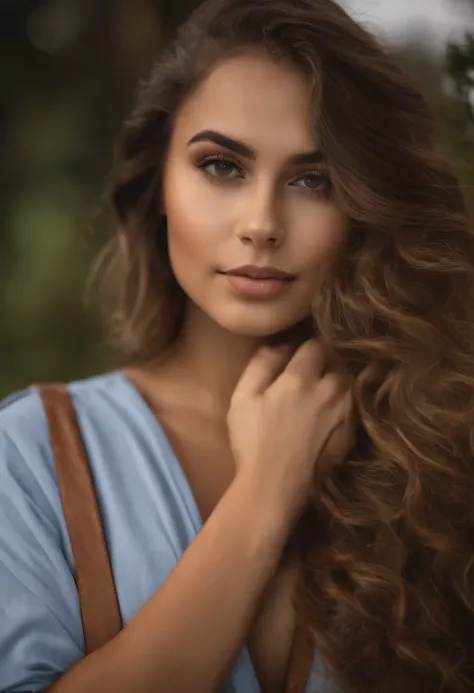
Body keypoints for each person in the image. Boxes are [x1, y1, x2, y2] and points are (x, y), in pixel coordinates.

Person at [2, 0, 474, 691]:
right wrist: (267, 489)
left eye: (314, 179)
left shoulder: (437, 449)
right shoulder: (28, 453)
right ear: (159, 181)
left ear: (365, 206)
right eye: (222, 166)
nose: (261, 223)